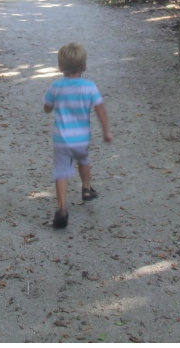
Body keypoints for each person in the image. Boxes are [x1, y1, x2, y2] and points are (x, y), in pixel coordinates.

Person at [42, 42, 112, 228]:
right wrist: (106, 131)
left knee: (62, 171)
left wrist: (50, 106)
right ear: (84, 67)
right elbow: (100, 109)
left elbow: (47, 107)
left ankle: (62, 207)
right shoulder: (89, 87)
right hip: (82, 139)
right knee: (84, 161)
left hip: (61, 140)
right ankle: (86, 189)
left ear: (60, 67)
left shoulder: (56, 86)